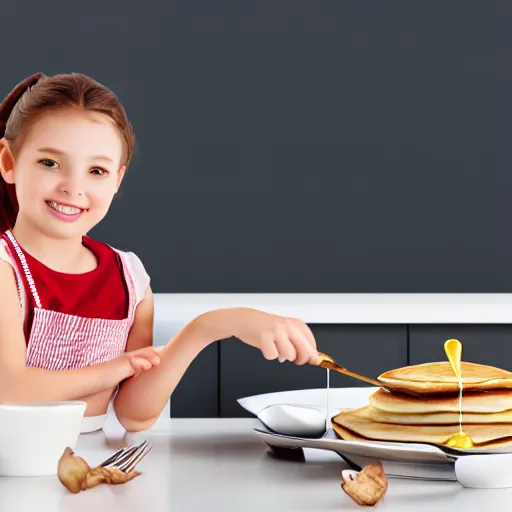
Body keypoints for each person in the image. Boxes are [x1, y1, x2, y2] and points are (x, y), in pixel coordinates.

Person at [0, 72, 322, 433]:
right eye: (50, 163)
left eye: (96, 170)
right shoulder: (4, 270)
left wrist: (210, 327)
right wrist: (116, 368)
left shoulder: (129, 278)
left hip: (92, 465)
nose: (73, 188)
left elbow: (134, 414)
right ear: (9, 162)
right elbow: (9, 390)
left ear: (117, 180)